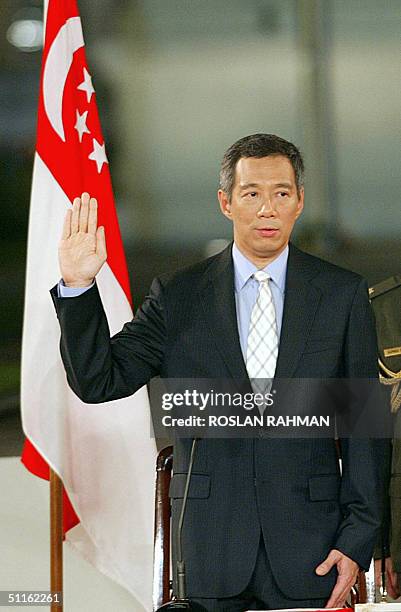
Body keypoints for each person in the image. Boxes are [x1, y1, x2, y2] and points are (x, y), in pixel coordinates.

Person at [51, 133, 385, 611]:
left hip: (314, 550)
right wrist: (79, 286)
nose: (267, 209)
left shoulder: (341, 294)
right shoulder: (178, 295)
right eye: (252, 194)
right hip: (209, 549)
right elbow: (99, 380)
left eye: (281, 193)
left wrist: (357, 541)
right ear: (226, 203)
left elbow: (364, 430)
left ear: (300, 202)